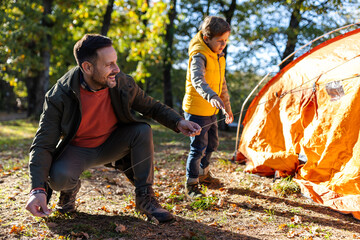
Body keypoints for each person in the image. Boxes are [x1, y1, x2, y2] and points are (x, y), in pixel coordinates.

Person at [25, 34, 201, 223]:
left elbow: (151, 106)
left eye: (115, 62)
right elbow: (42, 144)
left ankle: (145, 198)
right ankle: (68, 191)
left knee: (142, 131)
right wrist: (37, 190)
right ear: (87, 67)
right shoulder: (59, 95)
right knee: (59, 177)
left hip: (113, 145)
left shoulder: (121, 82)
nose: (116, 69)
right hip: (78, 150)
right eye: (109, 64)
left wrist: (178, 121)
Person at [182, 16, 234, 199]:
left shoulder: (219, 57)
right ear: (206, 38)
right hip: (197, 110)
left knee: (212, 144)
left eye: (226, 41)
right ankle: (192, 183)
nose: (223, 45)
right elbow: (197, 80)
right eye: (220, 41)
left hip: (212, 111)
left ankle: (204, 174)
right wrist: (210, 96)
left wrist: (227, 108)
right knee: (198, 148)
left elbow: (222, 85)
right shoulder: (199, 55)